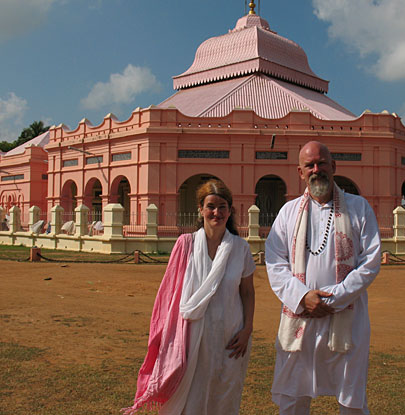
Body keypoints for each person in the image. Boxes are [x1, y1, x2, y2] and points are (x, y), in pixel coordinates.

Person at [265, 141, 381, 415]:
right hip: (301, 317)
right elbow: (274, 262)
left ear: (334, 166)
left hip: (346, 317)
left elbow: (370, 261)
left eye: (322, 163)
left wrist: (334, 298)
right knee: (293, 396)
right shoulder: (288, 212)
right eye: (310, 165)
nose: (317, 170)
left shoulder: (359, 208)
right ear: (300, 172)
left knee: (351, 398)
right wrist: (303, 297)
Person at [124, 179, 255, 415]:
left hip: (231, 337)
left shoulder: (240, 248)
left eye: (222, 206)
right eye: (211, 206)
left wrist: (247, 330)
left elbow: (247, 292)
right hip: (191, 335)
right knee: (190, 397)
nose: (217, 212)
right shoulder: (185, 244)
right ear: (201, 209)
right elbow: (168, 295)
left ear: (230, 210)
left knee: (224, 393)